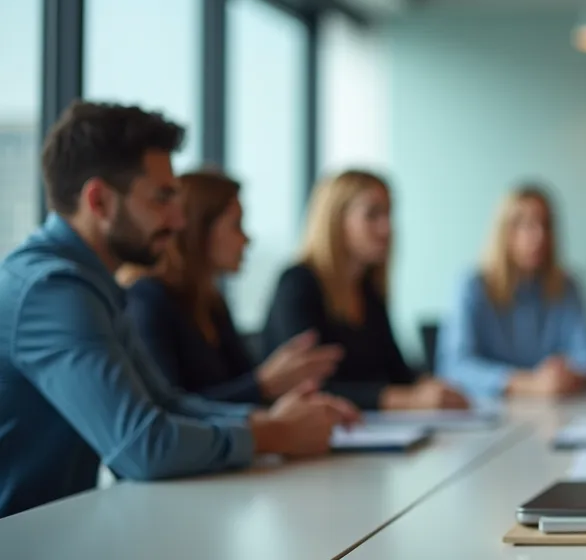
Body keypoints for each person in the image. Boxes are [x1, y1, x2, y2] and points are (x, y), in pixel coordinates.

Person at [0, 102, 355, 519]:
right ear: (99, 201)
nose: (178, 218)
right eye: (162, 198)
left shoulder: (93, 283)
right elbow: (141, 447)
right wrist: (273, 432)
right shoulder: (53, 289)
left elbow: (165, 404)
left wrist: (278, 420)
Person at [121, 171, 344, 403]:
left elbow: (245, 385)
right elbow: (171, 411)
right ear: (199, 230)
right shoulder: (147, 302)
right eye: (236, 225)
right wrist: (265, 383)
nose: (246, 239)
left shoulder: (211, 304)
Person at [263, 170, 469, 411]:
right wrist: (406, 399)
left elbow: (396, 371)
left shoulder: (367, 290)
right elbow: (305, 385)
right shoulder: (298, 283)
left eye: (389, 214)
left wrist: (430, 385)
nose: (386, 228)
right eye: (372, 215)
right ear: (335, 220)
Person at [439, 185, 586, 399]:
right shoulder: (472, 286)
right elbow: (454, 368)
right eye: (526, 225)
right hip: (492, 414)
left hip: (559, 410)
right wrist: (525, 383)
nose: (539, 236)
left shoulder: (567, 287)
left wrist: (570, 375)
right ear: (504, 232)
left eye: (546, 225)